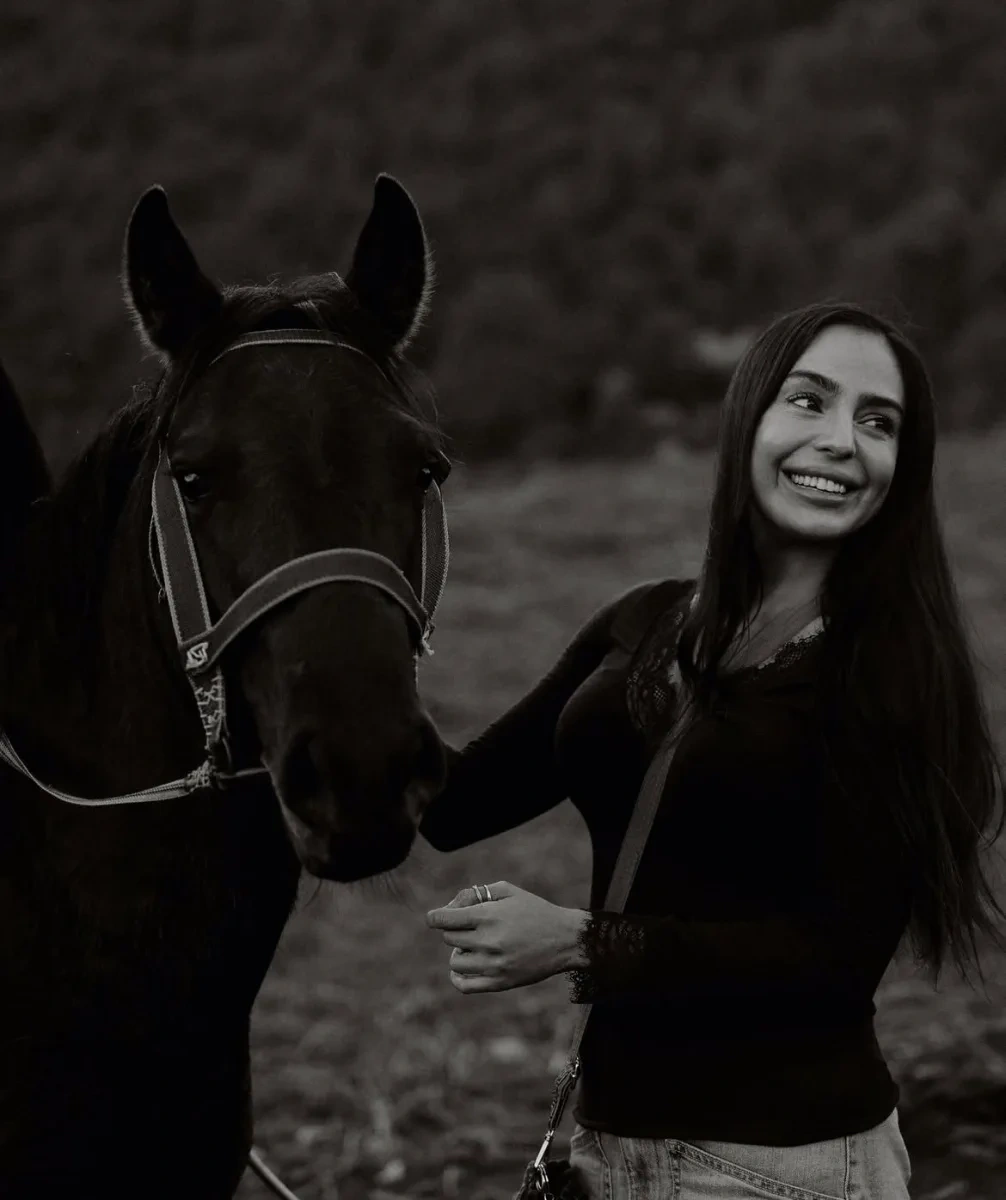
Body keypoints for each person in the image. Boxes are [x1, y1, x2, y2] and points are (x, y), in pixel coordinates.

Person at [421, 301, 1006, 1199]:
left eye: (878, 422)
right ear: (749, 417)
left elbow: (831, 962)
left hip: (783, 1167)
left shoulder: (896, 675)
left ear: (903, 466)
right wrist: (324, 638)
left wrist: (578, 941)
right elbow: (451, 804)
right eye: (809, 400)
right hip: (609, 1153)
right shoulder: (645, 618)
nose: (840, 441)